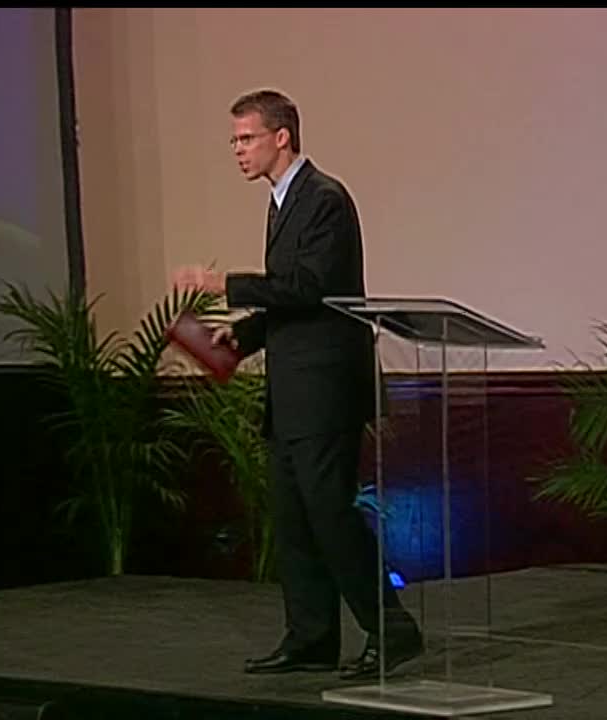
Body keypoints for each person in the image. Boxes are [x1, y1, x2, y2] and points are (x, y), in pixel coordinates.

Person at [172, 89, 422, 680]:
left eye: (246, 138)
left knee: (330, 511)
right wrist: (247, 335)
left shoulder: (324, 199)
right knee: (294, 516)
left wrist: (224, 284)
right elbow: (296, 300)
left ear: (281, 137)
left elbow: (312, 285)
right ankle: (311, 636)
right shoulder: (282, 202)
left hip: (326, 388)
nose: (237, 150)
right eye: (234, 140)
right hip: (293, 387)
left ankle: (393, 630)